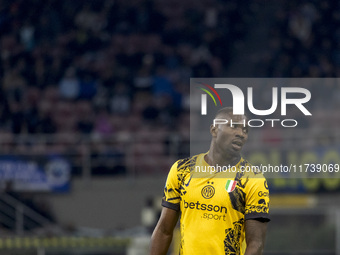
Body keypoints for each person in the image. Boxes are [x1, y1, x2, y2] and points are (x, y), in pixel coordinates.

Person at [150, 107, 270, 255]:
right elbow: (164, 230)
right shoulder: (182, 169)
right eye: (233, 126)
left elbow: (256, 244)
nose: (240, 134)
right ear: (214, 129)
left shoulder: (253, 179)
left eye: (245, 130)